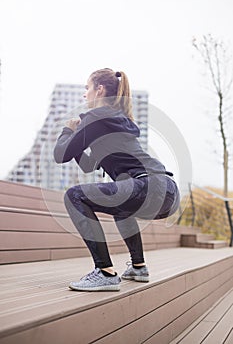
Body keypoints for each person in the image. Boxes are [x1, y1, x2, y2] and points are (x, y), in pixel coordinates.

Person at [53, 68, 180, 292]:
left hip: (147, 186)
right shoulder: (113, 121)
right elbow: (88, 164)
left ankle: (104, 272)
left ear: (99, 89)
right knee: (121, 208)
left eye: (87, 88)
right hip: (167, 191)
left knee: (74, 196)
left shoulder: (95, 117)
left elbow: (60, 154)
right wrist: (75, 139)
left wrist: (66, 130)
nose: (85, 95)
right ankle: (138, 267)